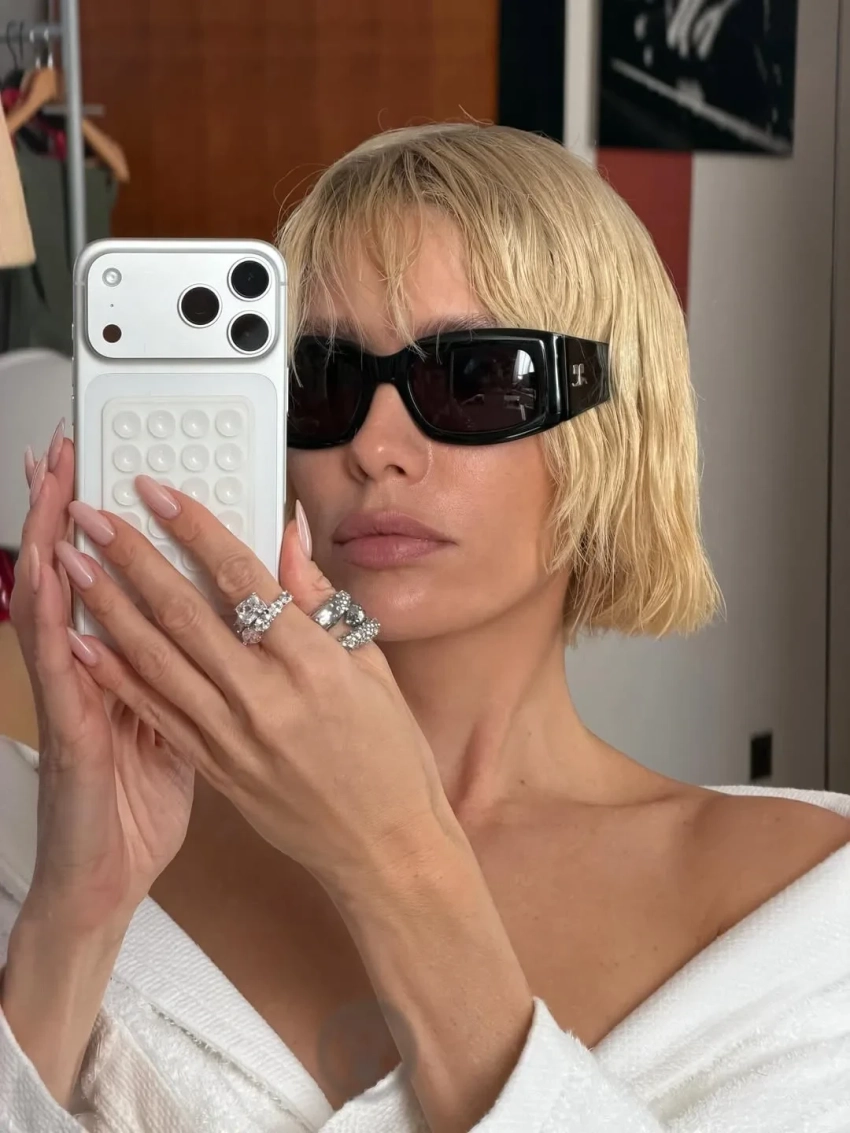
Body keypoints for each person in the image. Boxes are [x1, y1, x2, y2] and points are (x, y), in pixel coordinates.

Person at [1, 122, 849, 1133]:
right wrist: (76, 913)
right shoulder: (58, 832)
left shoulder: (808, 909)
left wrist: (393, 860)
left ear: (614, 423)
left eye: (471, 378)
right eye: (323, 380)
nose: (374, 445)